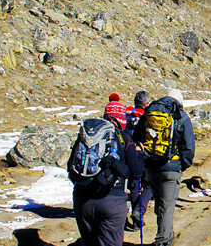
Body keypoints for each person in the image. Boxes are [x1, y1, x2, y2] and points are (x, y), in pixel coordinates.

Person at [69, 93, 143, 246]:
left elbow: (71, 166)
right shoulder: (123, 138)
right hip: (111, 200)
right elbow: (136, 172)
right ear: (120, 118)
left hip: (82, 199)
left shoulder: (86, 136)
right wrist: (139, 155)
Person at [134, 89, 195, 246]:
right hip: (171, 167)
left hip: (150, 166)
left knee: (160, 203)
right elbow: (188, 145)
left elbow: (137, 136)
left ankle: (167, 236)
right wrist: (183, 165)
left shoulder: (150, 112)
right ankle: (162, 241)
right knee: (167, 206)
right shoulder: (180, 116)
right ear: (179, 102)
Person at [125, 90, 153, 232]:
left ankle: (136, 219)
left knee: (135, 183)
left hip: (128, 154)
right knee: (149, 185)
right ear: (146, 103)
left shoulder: (127, 115)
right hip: (144, 152)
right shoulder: (147, 116)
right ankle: (139, 211)